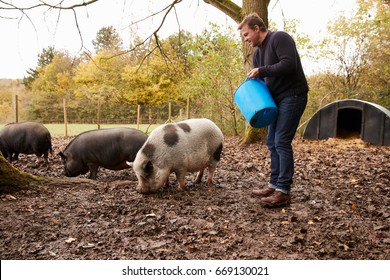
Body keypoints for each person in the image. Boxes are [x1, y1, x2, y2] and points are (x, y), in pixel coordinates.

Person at [238, 13, 308, 207]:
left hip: (293, 95)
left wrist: (262, 71)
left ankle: (283, 191)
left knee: (281, 140)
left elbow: (288, 64)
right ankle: (274, 184)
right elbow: (262, 81)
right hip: (275, 100)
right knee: (271, 141)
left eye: (246, 34)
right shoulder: (257, 54)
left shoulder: (280, 38)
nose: (246, 39)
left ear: (257, 28)